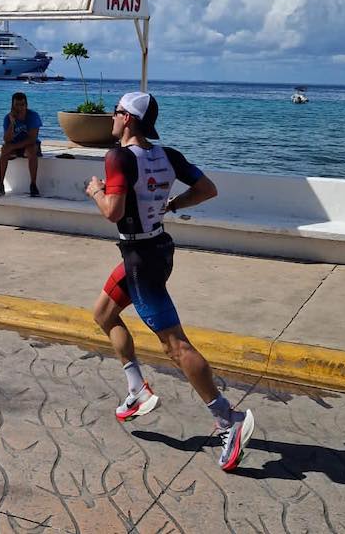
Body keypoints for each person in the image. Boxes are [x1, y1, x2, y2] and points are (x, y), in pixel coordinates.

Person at [84, 91, 255, 472]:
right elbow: (207, 188)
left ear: (127, 118)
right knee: (103, 313)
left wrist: (95, 190)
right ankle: (136, 389)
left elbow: (113, 211)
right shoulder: (167, 155)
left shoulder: (118, 158)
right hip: (157, 250)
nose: (111, 118)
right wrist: (173, 203)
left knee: (175, 346)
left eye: (116, 112)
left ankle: (229, 419)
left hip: (141, 261)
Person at [0, 92, 42, 197]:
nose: (20, 108)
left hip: (29, 145)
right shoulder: (8, 118)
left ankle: (33, 184)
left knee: (31, 150)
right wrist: (12, 124)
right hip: (15, 146)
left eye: (22, 105)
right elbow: (6, 139)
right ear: (12, 106)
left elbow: (32, 139)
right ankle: (0, 184)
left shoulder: (33, 116)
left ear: (26, 105)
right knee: (4, 150)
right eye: (17, 105)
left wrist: (13, 146)